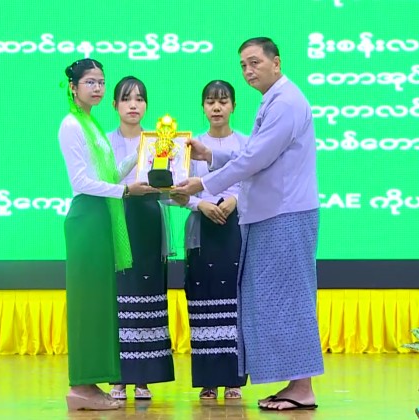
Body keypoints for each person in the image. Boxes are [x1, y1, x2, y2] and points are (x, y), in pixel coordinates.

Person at [171, 37, 323, 411]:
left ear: (276, 62)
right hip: (273, 214)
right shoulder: (273, 100)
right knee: (278, 300)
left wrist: (203, 183)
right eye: (243, 65)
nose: (248, 70)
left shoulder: (285, 102)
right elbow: (254, 155)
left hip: (285, 213)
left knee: (291, 300)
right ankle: (295, 384)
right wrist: (212, 155)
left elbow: (255, 159)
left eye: (255, 62)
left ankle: (302, 388)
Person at [58, 59, 158, 411]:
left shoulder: (91, 123)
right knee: (88, 305)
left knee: (100, 304)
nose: (97, 88)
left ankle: (91, 384)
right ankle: (80, 387)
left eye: (101, 82)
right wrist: (126, 191)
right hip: (87, 217)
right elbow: (81, 181)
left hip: (101, 215)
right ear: (73, 87)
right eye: (90, 82)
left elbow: (109, 174)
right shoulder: (71, 124)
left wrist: (142, 152)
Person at [172, 80, 247, 400]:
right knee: (202, 302)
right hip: (201, 230)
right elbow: (175, 190)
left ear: (233, 106)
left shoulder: (247, 143)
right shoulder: (190, 145)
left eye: (223, 101)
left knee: (234, 304)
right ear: (203, 107)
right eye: (210, 102)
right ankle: (208, 380)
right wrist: (199, 204)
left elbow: (256, 182)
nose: (217, 107)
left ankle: (233, 380)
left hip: (235, 228)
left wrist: (235, 200)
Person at [106, 76, 175, 401]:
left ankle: (144, 377)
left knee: (148, 293)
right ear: (115, 105)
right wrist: (137, 156)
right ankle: (118, 377)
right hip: (118, 220)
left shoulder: (162, 141)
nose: (133, 105)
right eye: (126, 98)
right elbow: (105, 180)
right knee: (120, 295)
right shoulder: (104, 142)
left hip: (149, 219)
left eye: (140, 99)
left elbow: (171, 186)